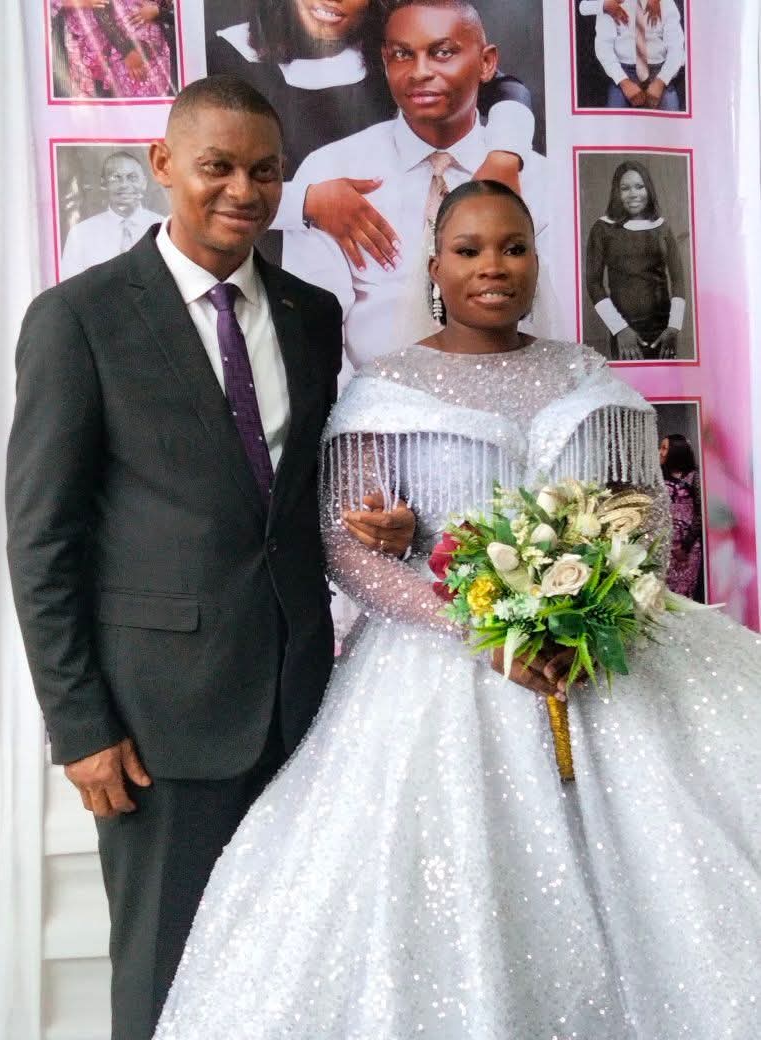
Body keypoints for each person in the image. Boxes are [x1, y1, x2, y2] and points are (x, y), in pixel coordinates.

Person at [154, 181, 761, 1039]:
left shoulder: (588, 374)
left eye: (513, 248)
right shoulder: (386, 386)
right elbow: (344, 547)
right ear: (435, 267)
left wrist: (596, 619)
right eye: (469, 250)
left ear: (537, 262)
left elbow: (648, 521)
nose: (492, 267)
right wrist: (485, 630)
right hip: (436, 672)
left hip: (601, 666)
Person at [6, 74, 412, 1040]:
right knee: (165, 980)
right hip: (158, 726)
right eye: (217, 167)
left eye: (264, 171)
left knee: (291, 976)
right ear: (163, 164)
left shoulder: (313, 314)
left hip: (303, 706)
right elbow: (41, 538)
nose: (243, 190)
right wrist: (81, 727)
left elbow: (293, 495)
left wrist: (381, 527)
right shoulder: (79, 318)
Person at [281, 0, 557, 377]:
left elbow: (546, 321)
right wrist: (364, 411)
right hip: (373, 404)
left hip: (510, 395)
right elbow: (315, 339)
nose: (420, 72)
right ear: (384, 61)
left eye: (442, 53)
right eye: (402, 55)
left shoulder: (536, 177)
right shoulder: (331, 171)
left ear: (487, 62)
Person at [208, 0, 536, 271]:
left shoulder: (398, 50)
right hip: (265, 255)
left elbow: (504, 88)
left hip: (388, 257)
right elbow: (206, 185)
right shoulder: (227, 56)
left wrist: (505, 154)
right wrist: (307, 202)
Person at [585, 158, 686, 361]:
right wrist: (620, 329)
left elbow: (678, 280)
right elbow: (593, 283)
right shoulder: (603, 228)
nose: (633, 194)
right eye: (625, 188)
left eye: (639, 187)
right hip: (625, 332)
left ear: (649, 189)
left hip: (664, 333)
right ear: (616, 192)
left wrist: (674, 327)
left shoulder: (662, 227)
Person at [60, 150, 166, 279]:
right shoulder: (81, 234)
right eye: (116, 178)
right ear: (103, 183)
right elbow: (70, 286)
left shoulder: (164, 228)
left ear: (144, 183)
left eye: (132, 178)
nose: (124, 185)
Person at [51, 0, 176, 99]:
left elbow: (176, 11)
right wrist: (126, 51)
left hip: (151, 48)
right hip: (94, 44)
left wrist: (159, 12)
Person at [588, 0, 685, 110]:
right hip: (623, 71)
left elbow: (676, 48)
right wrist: (623, 82)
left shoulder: (666, 3)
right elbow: (604, 48)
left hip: (659, 71)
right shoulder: (611, 4)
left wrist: (661, 81)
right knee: (615, 116)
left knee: (671, 115)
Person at [660, 432, 703, 599]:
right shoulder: (659, 476)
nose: (660, 452)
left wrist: (684, 546)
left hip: (688, 548)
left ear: (676, 451)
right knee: (664, 595)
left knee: (684, 596)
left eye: (664, 448)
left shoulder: (694, 477)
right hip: (664, 545)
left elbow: (700, 513)